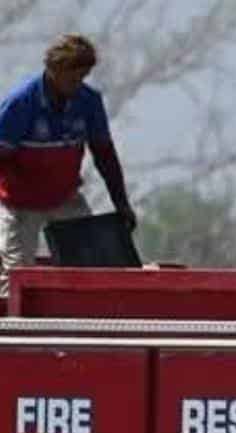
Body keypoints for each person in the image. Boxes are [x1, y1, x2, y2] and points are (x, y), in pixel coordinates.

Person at [0, 34, 135, 296]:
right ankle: (11, 331)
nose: (77, 84)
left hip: (64, 198)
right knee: (14, 274)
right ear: (54, 70)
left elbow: (104, 156)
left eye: (82, 77)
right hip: (19, 202)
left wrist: (122, 203)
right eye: (72, 78)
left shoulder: (88, 101)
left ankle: (87, 326)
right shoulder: (20, 104)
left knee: (89, 267)